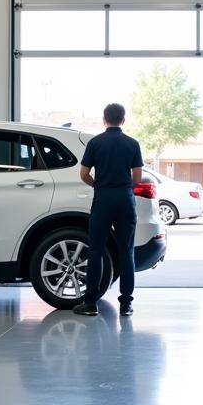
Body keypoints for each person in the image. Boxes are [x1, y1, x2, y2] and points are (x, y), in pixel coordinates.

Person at [73, 103, 143, 318]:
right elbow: (138, 178)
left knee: (95, 250)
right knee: (126, 252)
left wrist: (98, 184)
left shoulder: (95, 142)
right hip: (125, 199)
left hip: (103, 198)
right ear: (123, 120)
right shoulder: (132, 144)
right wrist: (124, 187)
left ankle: (91, 303)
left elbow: (83, 174)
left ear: (104, 119)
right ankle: (126, 305)